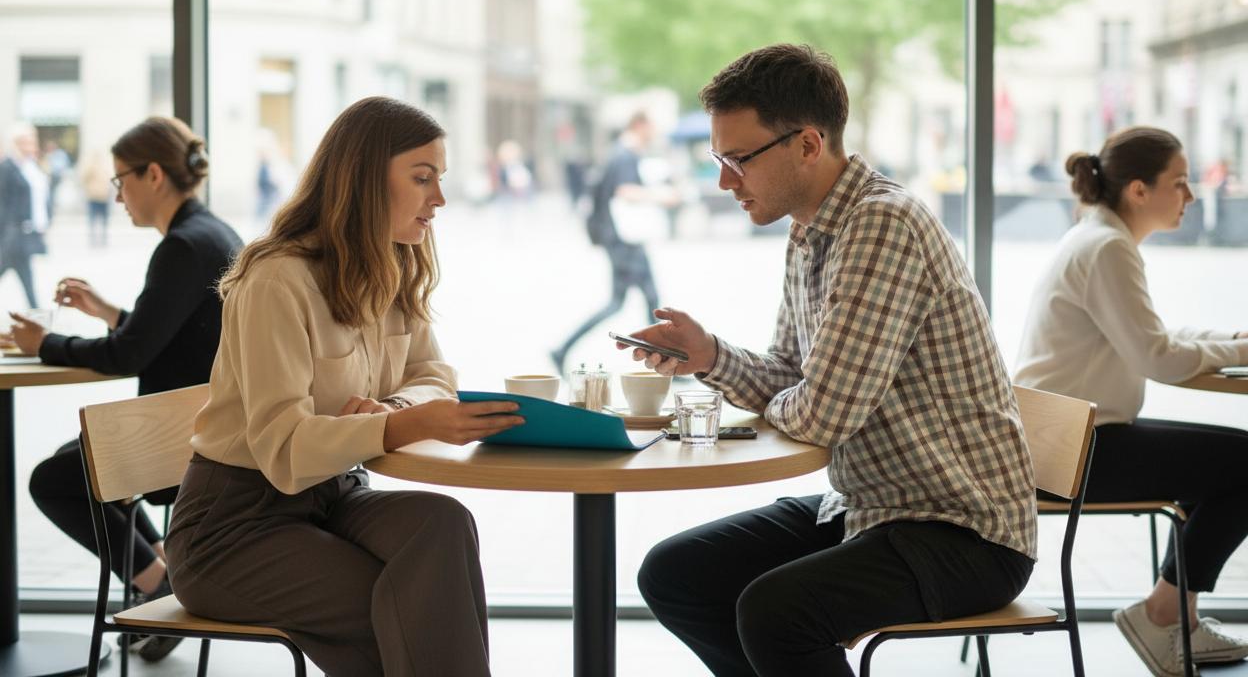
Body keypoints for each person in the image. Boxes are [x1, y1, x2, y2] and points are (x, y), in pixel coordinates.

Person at [623, 44, 1037, 677]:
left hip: (963, 529)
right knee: (678, 574)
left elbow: (820, 416)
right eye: (718, 159)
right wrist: (708, 355)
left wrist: (798, 397)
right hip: (872, 508)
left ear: (809, 145)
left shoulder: (882, 225)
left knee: (776, 613)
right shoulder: (810, 227)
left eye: (737, 160)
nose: (723, 181)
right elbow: (795, 378)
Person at [165, 96, 524, 677]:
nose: (440, 198)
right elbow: (282, 449)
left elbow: (434, 375)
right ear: (364, 179)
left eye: (440, 179)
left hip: (333, 497)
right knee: (400, 608)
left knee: (443, 523)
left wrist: (394, 408)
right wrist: (399, 425)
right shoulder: (276, 280)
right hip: (232, 527)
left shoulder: (396, 262)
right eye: (423, 178)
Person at [4, 116, 242, 663]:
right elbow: (169, 332)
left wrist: (45, 343)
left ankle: (157, 583)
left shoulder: (183, 246)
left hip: (183, 434)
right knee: (79, 473)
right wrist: (109, 311)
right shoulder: (209, 233)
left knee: (54, 481)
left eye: (120, 181)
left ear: (153, 174)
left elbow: (130, 354)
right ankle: (163, 577)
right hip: (200, 421)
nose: (116, 196)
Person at [1015, 126, 1248, 677]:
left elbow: (1151, 337)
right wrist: (1235, 348)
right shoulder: (1107, 247)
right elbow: (1159, 357)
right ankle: (1162, 614)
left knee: (1221, 464)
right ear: (1139, 190)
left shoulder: (1098, 237)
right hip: (1074, 450)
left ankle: (1176, 621)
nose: (1191, 196)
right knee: (1244, 462)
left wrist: (1232, 344)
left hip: (1064, 439)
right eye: (1181, 182)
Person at [550, 111, 677, 374]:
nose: (654, 133)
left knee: (629, 302)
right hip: (624, 241)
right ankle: (663, 365)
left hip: (618, 239)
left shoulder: (618, 153)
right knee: (646, 301)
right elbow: (625, 191)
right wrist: (661, 196)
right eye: (652, 126)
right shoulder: (625, 155)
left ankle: (562, 349)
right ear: (640, 125)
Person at [0, 124, 51, 307]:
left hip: (27, 232)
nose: (31, 144)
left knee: (24, 272)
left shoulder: (32, 167)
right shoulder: (7, 167)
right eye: (25, 141)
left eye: (32, 139)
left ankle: (36, 312)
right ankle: (36, 312)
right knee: (19, 270)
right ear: (15, 143)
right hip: (12, 233)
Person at [79, 149, 114, 247]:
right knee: (93, 220)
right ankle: (93, 240)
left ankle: (103, 239)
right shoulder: (90, 168)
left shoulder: (106, 168)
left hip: (104, 198)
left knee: (104, 220)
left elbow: (110, 180)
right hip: (93, 197)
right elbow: (84, 179)